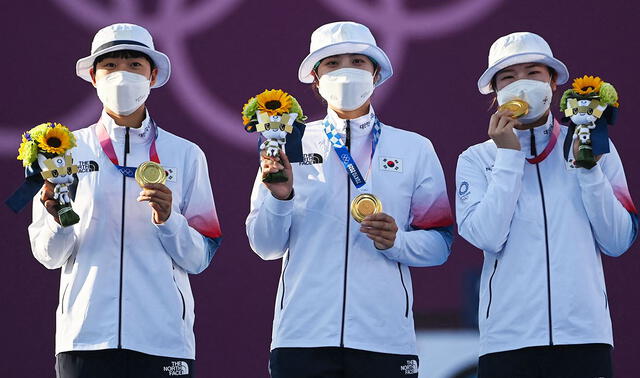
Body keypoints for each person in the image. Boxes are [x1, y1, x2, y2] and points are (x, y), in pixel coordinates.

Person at [246, 21, 453, 378]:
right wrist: (280, 199)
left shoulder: (414, 148)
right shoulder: (287, 143)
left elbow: (440, 245)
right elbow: (265, 246)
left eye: (357, 61)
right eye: (332, 63)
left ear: (375, 74)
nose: (345, 72)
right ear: (315, 77)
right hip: (302, 338)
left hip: (385, 340)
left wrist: (398, 241)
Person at [29, 23, 222, 378]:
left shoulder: (185, 154)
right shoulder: (63, 150)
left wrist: (169, 220)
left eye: (134, 65)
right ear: (93, 76)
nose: (122, 75)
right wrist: (57, 220)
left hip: (163, 340)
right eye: (111, 65)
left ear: (152, 76)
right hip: (84, 338)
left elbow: (200, 257)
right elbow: (48, 255)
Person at [456, 31, 638, 378]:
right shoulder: (476, 159)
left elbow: (618, 241)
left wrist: (589, 170)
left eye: (533, 73)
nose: (521, 84)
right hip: (507, 341)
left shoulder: (592, 144)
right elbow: (487, 237)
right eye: (508, 77)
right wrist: (509, 155)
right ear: (494, 92)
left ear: (553, 83)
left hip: (585, 337)